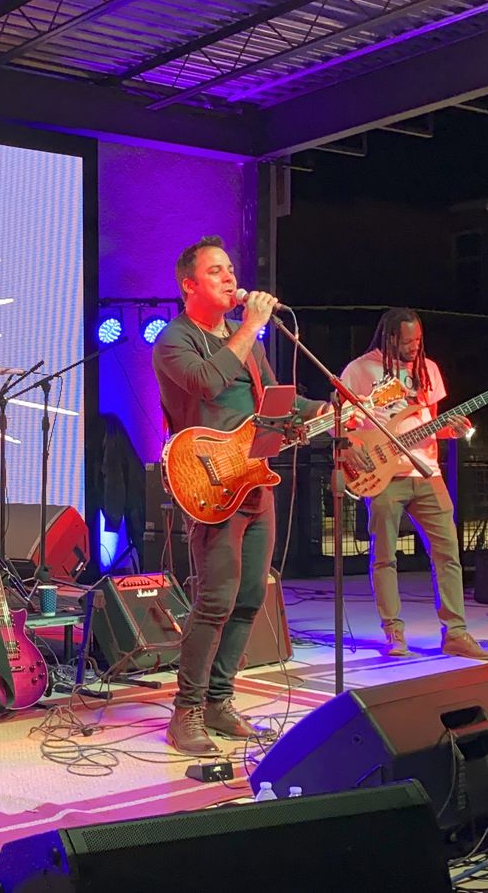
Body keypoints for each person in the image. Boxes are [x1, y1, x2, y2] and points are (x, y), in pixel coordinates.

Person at [152, 235, 325, 755]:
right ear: (189, 285)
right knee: (215, 600)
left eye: (230, 269)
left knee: (251, 597)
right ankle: (186, 711)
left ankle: (218, 701)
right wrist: (251, 326)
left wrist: (327, 410)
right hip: (209, 482)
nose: (230, 278)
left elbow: (276, 404)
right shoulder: (173, 340)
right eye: (216, 271)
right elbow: (207, 383)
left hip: (254, 479)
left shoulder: (251, 345)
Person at [338, 308, 488, 661]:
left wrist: (450, 430)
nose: (414, 346)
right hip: (383, 474)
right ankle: (394, 632)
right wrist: (356, 451)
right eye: (407, 341)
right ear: (390, 337)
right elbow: (342, 424)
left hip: (427, 472)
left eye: (418, 340)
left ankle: (455, 633)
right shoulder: (360, 370)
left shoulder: (429, 370)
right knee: (384, 557)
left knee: (447, 554)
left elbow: (430, 424)